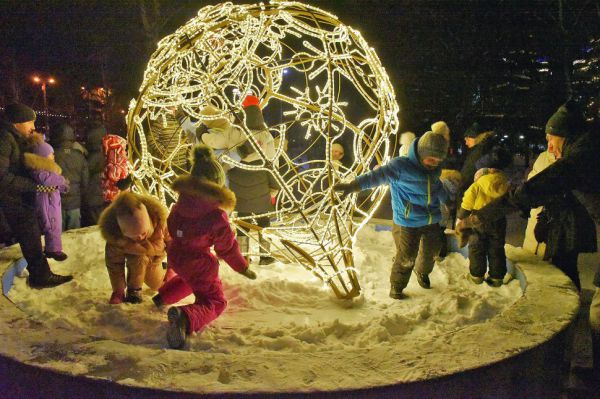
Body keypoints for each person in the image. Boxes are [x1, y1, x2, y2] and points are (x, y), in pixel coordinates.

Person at [461, 100, 600, 378]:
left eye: (552, 139)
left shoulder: (582, 156)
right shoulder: (583, 150)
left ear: (567, 136)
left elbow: (537, 187)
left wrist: (481, 215)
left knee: (598, 314)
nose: (549, 147)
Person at [153, 144, 257, 349]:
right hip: (198, 262)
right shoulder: (216, 216)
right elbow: (226, 248)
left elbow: (172, 227)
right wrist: (242, 267)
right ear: (218, 185)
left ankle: (163, 297)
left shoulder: (180, 203)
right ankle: (185, 317)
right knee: (215, 300)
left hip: (177, 255)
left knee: (188, 277)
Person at [334, 130, 449, 299]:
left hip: (431, 219)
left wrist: (448, 199)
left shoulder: (434, 169)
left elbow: (437, 187)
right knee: (407, 256)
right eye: (431, 159)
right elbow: (376, 176)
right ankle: (397, 285)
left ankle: (422, 272)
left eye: (438, 161)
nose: (434, 163)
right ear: (421, 153)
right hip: (409, 221)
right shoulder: (400, 166)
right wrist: (353, 186)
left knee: (431, 253)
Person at [0, 103, 72, 288]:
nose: (33, 126)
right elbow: (2, 177)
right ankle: (41, 277)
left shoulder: (14, 138)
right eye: (29, 121)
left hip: (18, 198)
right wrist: (34, 186)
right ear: (17, 122)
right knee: (30, 237)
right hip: (13, 200)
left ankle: (41, 274)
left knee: (31, 236)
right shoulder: (5, 139)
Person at [98, 191, 169, 304]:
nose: (140, 238)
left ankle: (163, 269)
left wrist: (173, 268)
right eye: (134, 236)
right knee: (137, 258)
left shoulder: (159, 221)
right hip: (135, 261)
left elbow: (172, 245)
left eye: (144, 233)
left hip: (155, 258)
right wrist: (118, 290)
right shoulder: (115, 236)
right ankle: (134, 290)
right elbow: (114, 264)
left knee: (157, 285)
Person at [456, 146, 512, 287]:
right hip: (498, 220)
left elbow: (467, 203)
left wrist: (461, 218)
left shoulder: (477, 185)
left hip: (478, 220)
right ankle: (496, 277)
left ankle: (476, 276)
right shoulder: (504, 183)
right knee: (497, 248)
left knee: (476, 248)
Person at [26, 138, 70, 261]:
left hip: (52, 200)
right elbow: (48, 180)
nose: (53, 156)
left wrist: (62, 186)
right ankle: (53, 250)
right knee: (51, 224)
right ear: (43, 156)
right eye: (51, 154)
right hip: (47, 202)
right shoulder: (38, 170)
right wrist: (61, 180)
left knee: (55, 224)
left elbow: (54, 182)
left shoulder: (48, 169)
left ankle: (53, 248)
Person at [51, 123, 89, 231]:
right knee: (74, 231)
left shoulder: (52, 155)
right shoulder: (79, 156)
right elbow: (85, 180)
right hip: (75, 201)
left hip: (56, 200)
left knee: (58, 231)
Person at [522, 150, 556, 255]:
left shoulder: (569, 160)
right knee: (530, 248)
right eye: (548, 139)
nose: (550, 145)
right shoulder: (543, 156)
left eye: (553, 139)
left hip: (553, 213)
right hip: (537, 209)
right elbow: (531, 178)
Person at [459, 121, 496, 196]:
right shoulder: (484, 149)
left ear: (476, 138)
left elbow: (469, 172)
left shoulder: (478, 152)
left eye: (467, 139)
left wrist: (460, 186)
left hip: (474, 191)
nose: (466, 143)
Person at [83, 123, 107, 225]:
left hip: (94, 194)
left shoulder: (93, 156)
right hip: (102, 194)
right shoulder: (106, 153)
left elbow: (86, 175)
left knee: (96, 221)